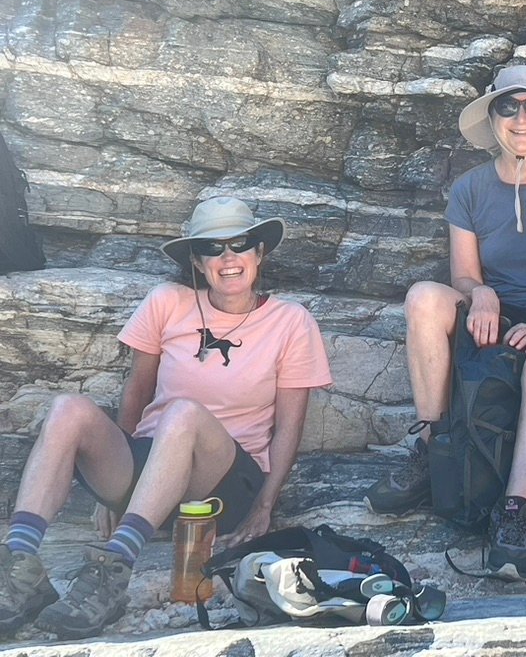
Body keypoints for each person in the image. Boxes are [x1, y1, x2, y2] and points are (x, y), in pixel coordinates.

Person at [0, 196, 332, 638]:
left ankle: (113, 571)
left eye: (239, 245)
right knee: (67, 409)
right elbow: (136, 390)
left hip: (224, 483)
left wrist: (264, 506)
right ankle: (21, 570)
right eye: (213, 249)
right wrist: (108, 491)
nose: (228, 258)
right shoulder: (167, 302)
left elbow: (291, 425)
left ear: (259, 253)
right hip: (152, 466)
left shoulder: (291, 321)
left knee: (183, 414)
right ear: (196, 260)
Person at [364, 65, 526, 580]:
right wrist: (481, 293)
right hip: (496, 319)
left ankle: (513, 515)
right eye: (508, 106)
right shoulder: (471, 188)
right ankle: (434, 446)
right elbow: (462, 275)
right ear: (492, 117)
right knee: (423, 299)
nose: (520, 118)